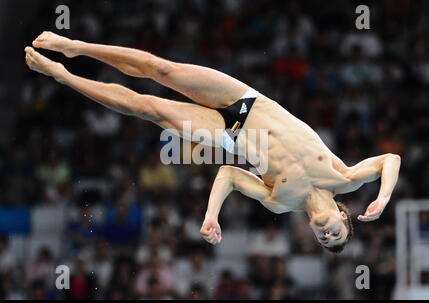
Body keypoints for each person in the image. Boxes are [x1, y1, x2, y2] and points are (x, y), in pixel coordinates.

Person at [24, 31, 401, 253]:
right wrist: (383, 198)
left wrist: (211, 216)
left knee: (148, 109)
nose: (326, 233)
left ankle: (63, 76)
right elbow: (389, 159)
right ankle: (75, 46)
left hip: (229, 134)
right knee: (163, 70)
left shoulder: (279, 202)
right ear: (343, 213)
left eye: (324, 240)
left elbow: (229, 174)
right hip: (247, 101)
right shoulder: (345, 178)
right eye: (336, 232)